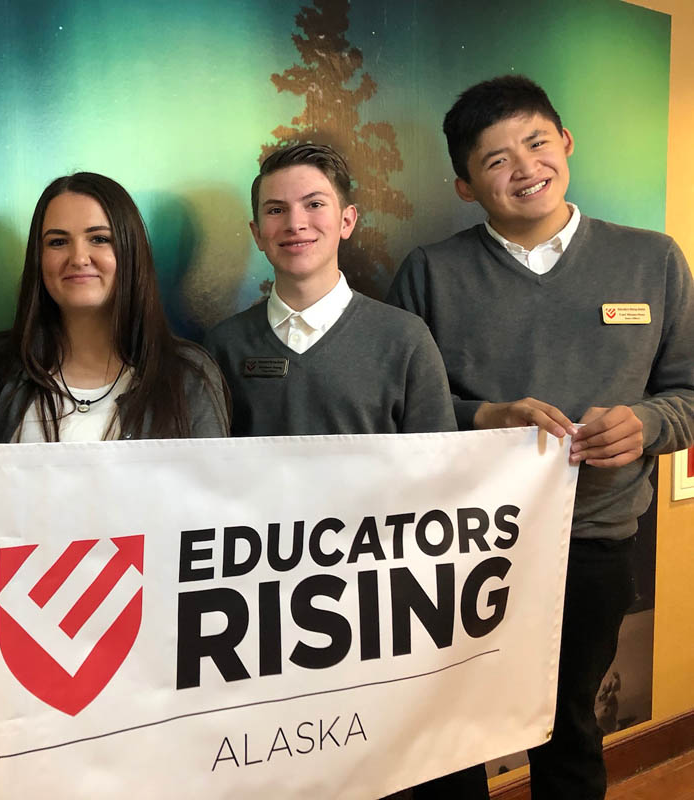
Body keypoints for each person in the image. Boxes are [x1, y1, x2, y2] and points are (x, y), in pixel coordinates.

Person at [387, 75, 694, 800]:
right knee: (447, 731)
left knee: (569, 727)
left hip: (593, 541)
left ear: (565, 143)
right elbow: (398, 418)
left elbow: (687, 393)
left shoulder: (652, 259)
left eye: (534, 142)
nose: (523, 168)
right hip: (457, 550)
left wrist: (647, 425)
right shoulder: (429, 273)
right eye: (494, 160)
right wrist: (481, 417)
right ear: (464, 185)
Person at [0, 171, 228, 453]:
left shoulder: (189, 376)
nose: (79, 258)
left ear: (130, 251)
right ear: (38, 258)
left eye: (99, 239)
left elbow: (212, 498)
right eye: (58, 242)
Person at [202, 143, 455, 437]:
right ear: (257, 234)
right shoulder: (223, 345)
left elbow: (437, 469)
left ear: (346, 221)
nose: (295, 223)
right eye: (275, 210)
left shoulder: (406, 339)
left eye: (314, 204)